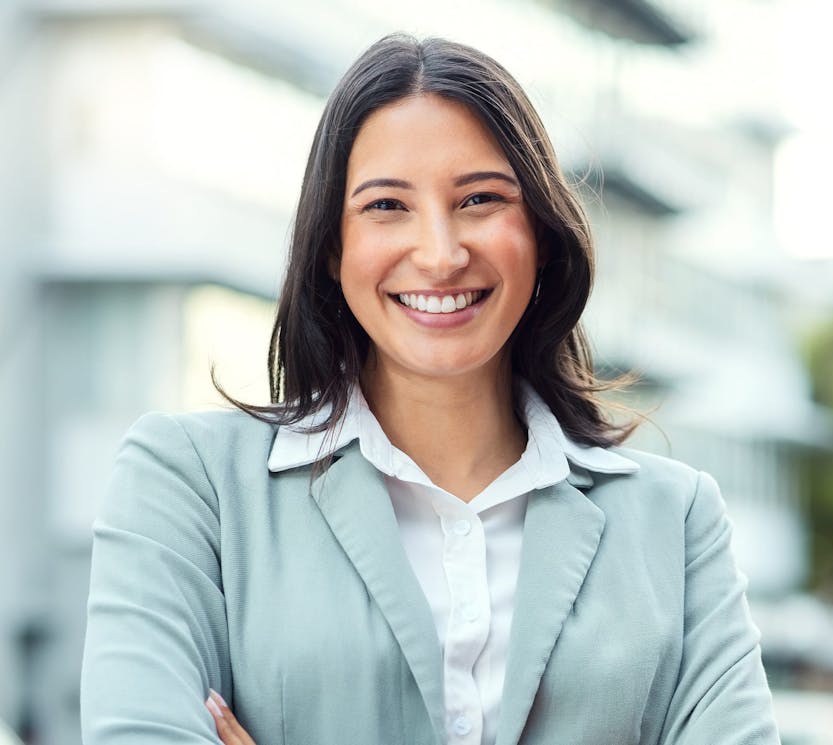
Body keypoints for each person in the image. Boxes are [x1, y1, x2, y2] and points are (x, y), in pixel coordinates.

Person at [80, 33, 780, 745]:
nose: (441, 254)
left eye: (479, 198)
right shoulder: (191, 485)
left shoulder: (675, 521)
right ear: (332, 245)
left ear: (538, 231)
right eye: (387, 206)